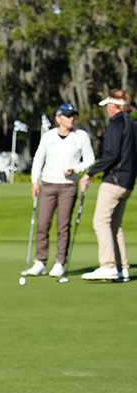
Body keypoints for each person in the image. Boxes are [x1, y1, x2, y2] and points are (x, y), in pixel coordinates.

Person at [24, 104, 95, 278]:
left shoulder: (81, 136)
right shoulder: (48, 136)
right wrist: (35, 182)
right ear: (58, 119)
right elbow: (39, 159)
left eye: (73, 116)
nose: (71, 119)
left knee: (63, 226)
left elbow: (90, 160)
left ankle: (59, 263)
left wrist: (75, 169)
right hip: (48, 184)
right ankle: (40, 261)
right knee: (42, 224)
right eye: (67, 116)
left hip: (68, 186)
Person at [81, 90, 136, 281]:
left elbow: (111, 154)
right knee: (115, 225)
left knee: (100, 222)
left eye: (108, 105)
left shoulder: (116, 124)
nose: (107, 109)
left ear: (114, 105)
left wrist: (90, 173)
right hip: (128, 183)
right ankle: (123, 268)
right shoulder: (131, 123)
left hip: (113, 180)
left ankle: (108, 265)